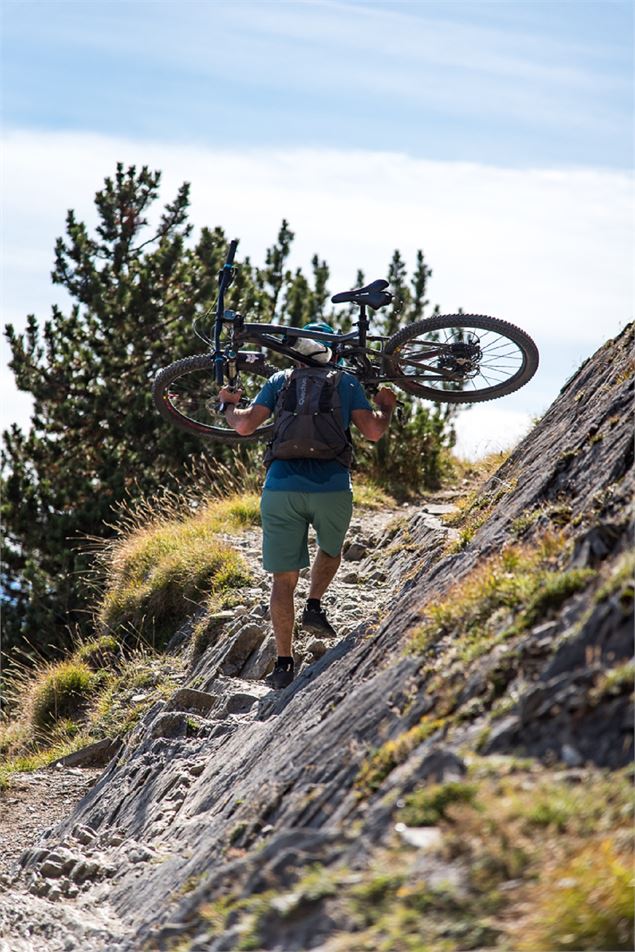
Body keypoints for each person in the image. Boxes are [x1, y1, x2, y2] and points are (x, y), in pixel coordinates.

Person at [219, 322, 397, 689]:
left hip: (281, 487)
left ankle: (284, 663)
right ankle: (315, 604)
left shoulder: (281, 380)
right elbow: (374, 432)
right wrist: (386, 407)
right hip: (332, 486)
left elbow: (244, 426)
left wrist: (228, 405)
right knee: (330, 550)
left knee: (282, 581)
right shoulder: (345, 381)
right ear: (330, 350)